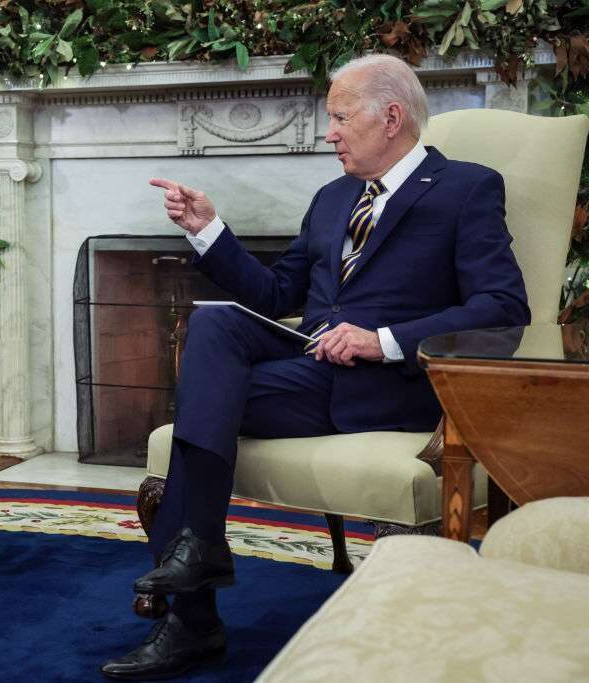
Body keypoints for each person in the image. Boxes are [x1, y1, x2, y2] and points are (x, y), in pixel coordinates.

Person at [100, 54, 531, 679]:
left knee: (202, 408)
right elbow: (278, 297)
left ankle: (191, 619)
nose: (329, 132)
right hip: (310, 372)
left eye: (339, 116)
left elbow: (502, 310)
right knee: (216, 325)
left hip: (392, 383)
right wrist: (208, 231)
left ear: (390, 117)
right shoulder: (332, 198)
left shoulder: (467, 187)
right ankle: (204, 555)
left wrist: (380, 339)